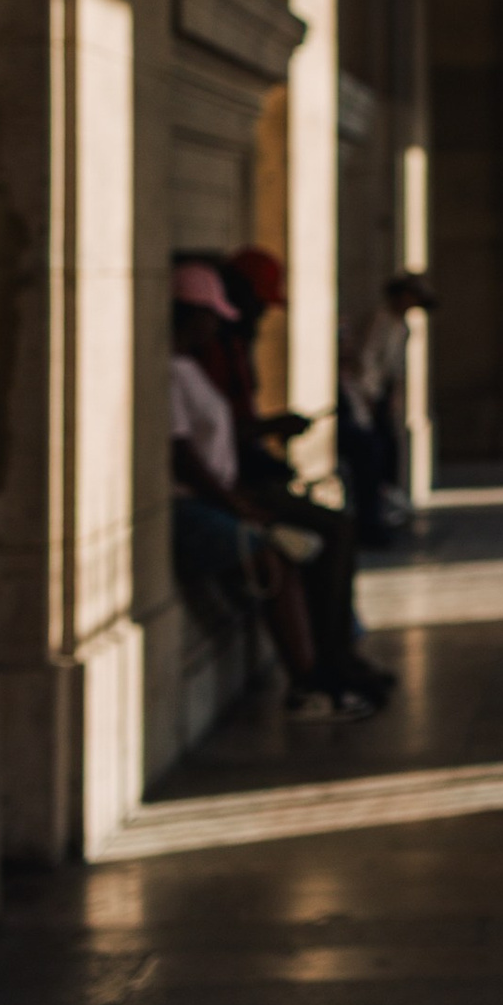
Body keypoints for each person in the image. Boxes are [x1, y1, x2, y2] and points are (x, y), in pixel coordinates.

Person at [204, 244, 390, 715]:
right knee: (330, 530)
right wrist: (268, 433)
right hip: (228, 488)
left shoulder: (231, 347)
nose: (264, 313)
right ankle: (325, 666)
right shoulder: (206, 356)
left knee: (334, 525)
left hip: (241, 477)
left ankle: (338, 654)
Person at [167, 261, 318, 692]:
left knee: (297, 548)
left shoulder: (190, 366)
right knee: (273, 559)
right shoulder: (169, 372)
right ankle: (307, 682)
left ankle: (326, 665)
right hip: (192, 504)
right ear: (194, 314)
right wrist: (235, 505)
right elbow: (183, 456)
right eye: (212, 316)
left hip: (216, 496)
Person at [339, 269, 431, 544]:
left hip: (379, 396)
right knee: (372, 454)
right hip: (363, 395)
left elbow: (394, 369)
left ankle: (385, 510)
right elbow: (365, 362)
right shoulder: (379, 320)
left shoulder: (401, 326)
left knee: (388, 452)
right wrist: (369, 397)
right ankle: (371, 519)